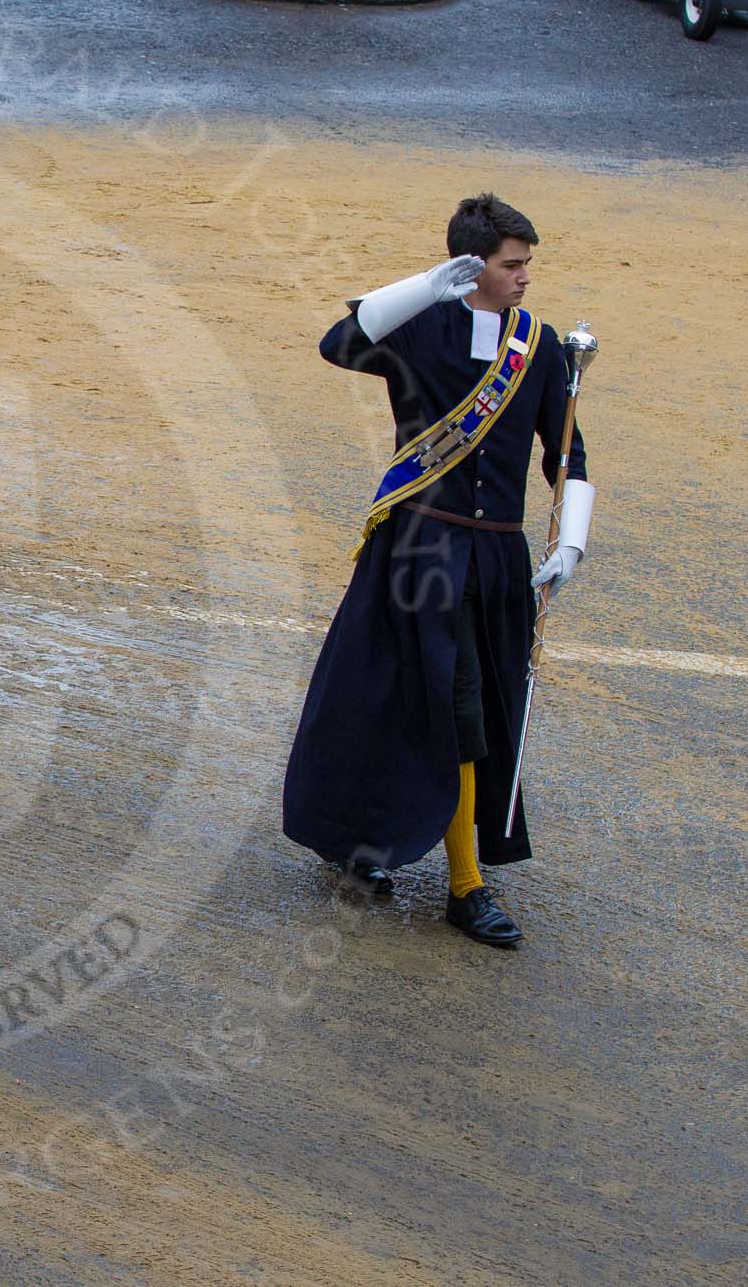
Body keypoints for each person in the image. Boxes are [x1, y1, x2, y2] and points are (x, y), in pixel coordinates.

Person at [282, 195, 596, 949]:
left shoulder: (542, 346)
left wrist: (572, 541)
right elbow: (338, 341)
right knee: (419, 704)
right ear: (473, 267)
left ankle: (392, 851)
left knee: (473, 711)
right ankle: (464, 886)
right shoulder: (420, 326)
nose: (524, 278)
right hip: (417, 551)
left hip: (494, 559)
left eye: (527, 265)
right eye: (510, 265)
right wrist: (427, 284)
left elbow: (567, 455)